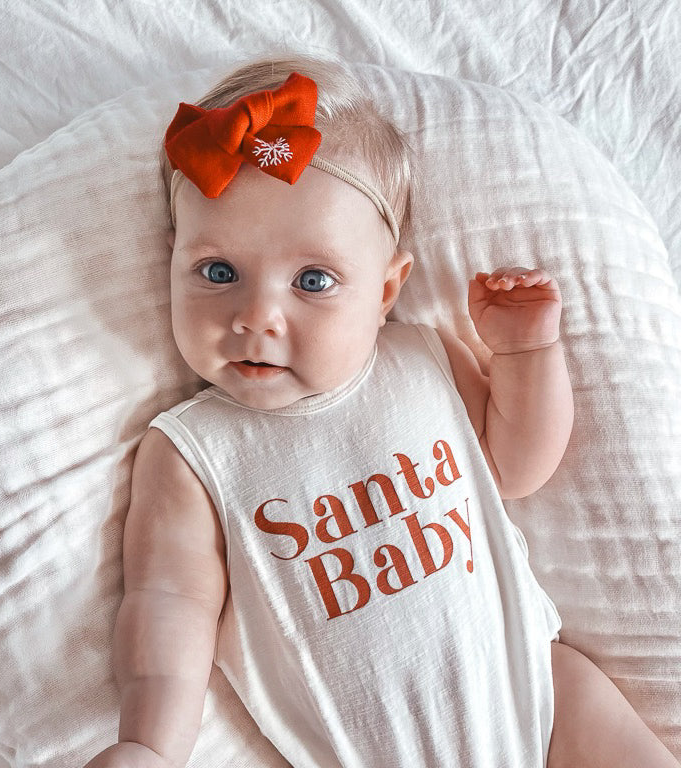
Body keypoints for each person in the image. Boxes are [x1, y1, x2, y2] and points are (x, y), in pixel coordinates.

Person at [85, 56, 681, 768]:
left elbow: (518, 467)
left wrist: (527, 355)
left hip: (546, 704)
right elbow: (168, 606)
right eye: (218, 273)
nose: (256, 316)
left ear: (387, 289)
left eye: (313, 281)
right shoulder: (193, 451)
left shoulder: (422, 362)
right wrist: (148, 743)